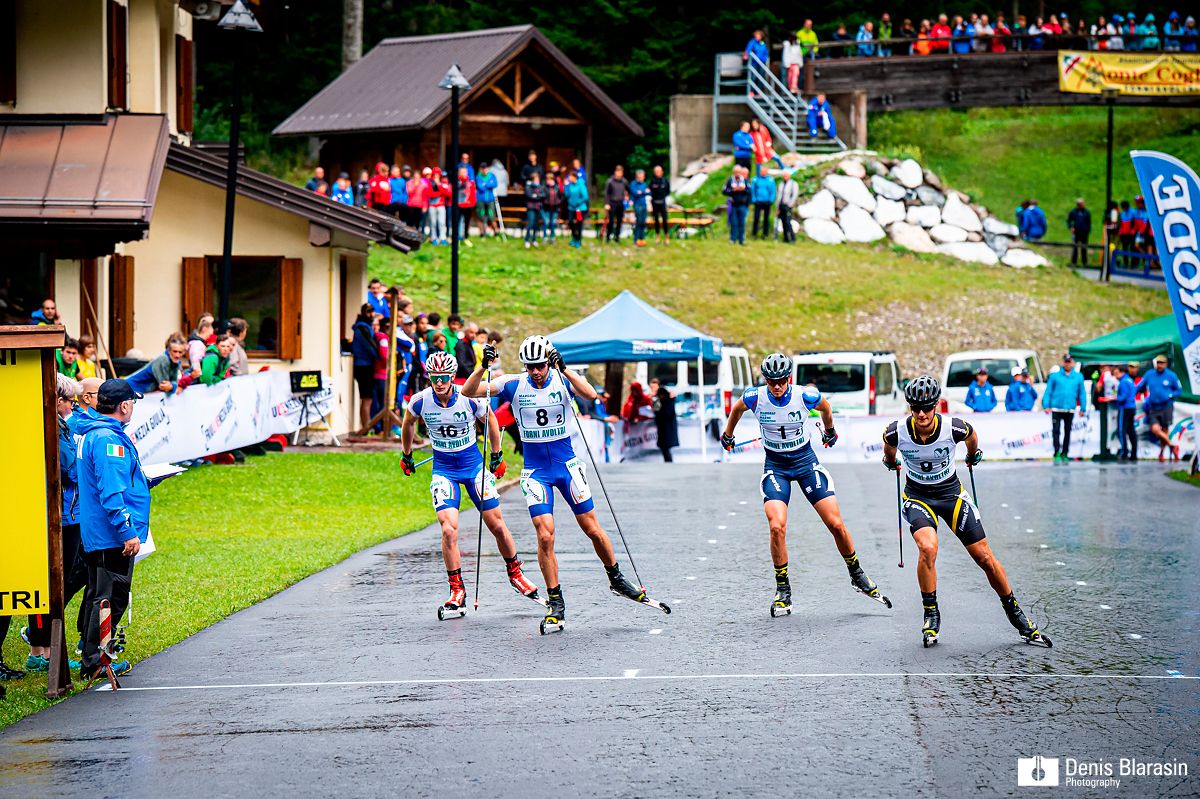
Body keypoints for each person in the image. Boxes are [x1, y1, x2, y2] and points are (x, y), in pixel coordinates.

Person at [463, 337, 649, 634]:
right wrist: (482, 367)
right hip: (536, 471)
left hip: (567, 466)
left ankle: (615, 578)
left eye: (540, 365)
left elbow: (591, 396)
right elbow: (468, 391)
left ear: (549, 363)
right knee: (545, 535)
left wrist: (565, 368)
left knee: (592, 529)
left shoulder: (562, 379)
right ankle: (555, 601)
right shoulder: (513, 383)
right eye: (530, 366)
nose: (536, 371)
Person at [882, 375, 1049, 648]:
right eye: (915, 408)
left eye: (927, 407)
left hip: (951, 494)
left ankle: (1016, 614)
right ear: (910, 408)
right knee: (928, 548)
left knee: (983, 555)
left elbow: (972, 437)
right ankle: (931, 614)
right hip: (917, 496)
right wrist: (891, 461)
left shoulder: (955, 428)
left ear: (937, 405)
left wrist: (973, 455)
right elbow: (889, 451)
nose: (921, 414)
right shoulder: (895, 431)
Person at [721, 353, 889, 616]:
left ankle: (856, 573)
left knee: (835, 523)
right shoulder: (755, 396)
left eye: (780, 381)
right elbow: (737, 408)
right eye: (771, 381)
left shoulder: (805, 395)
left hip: (805, 462)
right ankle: (783, 589)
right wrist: (728, 434)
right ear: (765, 380)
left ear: (789, 378)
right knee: (776, 526)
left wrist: (829, 431)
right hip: (776, 466)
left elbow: (826, 408)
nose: (776, 386)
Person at [400, 352, 541, 617]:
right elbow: (408, 424)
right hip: (444, 470)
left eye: (443, 378)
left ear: (452, 377)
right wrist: (406, 454)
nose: (439, 383)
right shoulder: (420, 401)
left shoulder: (468, 399)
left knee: (497, 524)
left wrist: (497, 454)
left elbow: (491, 421)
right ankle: (456, 589)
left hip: (473, 466)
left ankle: (516, 573)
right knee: (449, 530)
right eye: (434, 378)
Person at [76, 378, 152, 682]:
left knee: (100, 594)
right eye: (131, 402)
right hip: (110, 534)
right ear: (123, 406)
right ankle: (94, 659)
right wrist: (126, 531)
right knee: (110, 597)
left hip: (98, 531)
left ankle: (91, 651)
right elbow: (110, 492)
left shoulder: (95, 433)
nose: (132, 406)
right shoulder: (108, 440)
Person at [25, 375, 89, 674]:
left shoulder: (61, 426)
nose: (74, 407)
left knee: (52, 585)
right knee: (52, 585)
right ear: (58, 400)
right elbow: (70, 469)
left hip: (67, 513)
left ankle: (41, 649)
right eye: (71, 401)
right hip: (61, 516)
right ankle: (45, 651)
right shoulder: (54, 428)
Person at [1043, 354, 1086, 461]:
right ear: (1063, 362)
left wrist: (1083, 407)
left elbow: (1082, 393)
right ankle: (1056, 451)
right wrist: (1046, 405)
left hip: (1070, 408)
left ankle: (1065, 452)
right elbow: (1048, 391)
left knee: (1068, 431)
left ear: (1072, 363)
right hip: (1057, 408)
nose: (1067, 364)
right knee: (1056, 430)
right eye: (1066, 361)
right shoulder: (1055, 376)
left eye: (1069, 362)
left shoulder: (1078, 377)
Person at [1142, 355, 1183, 461]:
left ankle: (1161, 453)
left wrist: (1169, 395)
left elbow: (1179, 390)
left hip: (1166, 406)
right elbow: (1140, 386)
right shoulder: (1149, 374)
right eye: (1158, 363)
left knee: (1165, 431)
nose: (1159, 365)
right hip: (1153, 407)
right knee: (1155, 429)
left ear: (1165, 364)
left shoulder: (1171, 375)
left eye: (1162, 363)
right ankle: (1172, 445)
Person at [1113, 363, 1138, 461]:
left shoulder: (1123, 382)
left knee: (1121, 431)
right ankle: (1134, 453)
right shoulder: (1130, 380)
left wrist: (1115, 398)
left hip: (1125, 408)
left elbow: (1123, 397)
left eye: (1116, 373)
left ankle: (1124, 452)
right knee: (1131, 431)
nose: (1115, 376)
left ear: (1121, 372)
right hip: (1132, 407)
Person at [722, 165, 750, 245]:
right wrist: (732, 190)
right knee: (734, 223)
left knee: (742, 223)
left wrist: (743, 189)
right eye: (736, 172)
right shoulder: (730, 180)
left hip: (742, 204)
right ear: (733, 172)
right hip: (733, 204)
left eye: (739, 172)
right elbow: (724, 191)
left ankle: (742, 240)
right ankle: (732, 239)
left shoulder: (745, 180)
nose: (737, 174)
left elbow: (749, 190)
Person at [652, 385, 679, 462]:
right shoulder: (669, 402)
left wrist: (655, 401)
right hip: (666, 429)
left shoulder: (666, 403)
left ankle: (668, 462)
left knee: (665, 448)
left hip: (665, 430)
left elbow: (658, 412)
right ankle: (668, 462)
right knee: (665, 448)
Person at [750, 164, 776, 240]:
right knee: (756, 218)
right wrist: (754, 199)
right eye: (762, 171)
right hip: (758, 202)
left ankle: (765, 234)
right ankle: (754, 234)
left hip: (767, 202)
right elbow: (753, 190)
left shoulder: (770, 180)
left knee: (766, 219)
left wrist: (771, 200)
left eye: (765, 171)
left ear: (767, 172)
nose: (763, 173)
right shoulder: (756, 179)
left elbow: (773, 191)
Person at [604, 165, 629, 244]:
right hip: (612, 203)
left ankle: (617, 237)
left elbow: (628, 190)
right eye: (618, 172)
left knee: (619, 221)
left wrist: (627, 196)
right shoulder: (610, 181)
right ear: (615, 172)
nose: (619, 173)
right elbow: (607, 193)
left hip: (620, 203)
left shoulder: (624, 181)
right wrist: (607, 203)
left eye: (620, 172)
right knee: (611, 221)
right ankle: (608, 236)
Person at [564, 170, 589, 249]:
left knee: (579, 225)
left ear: (574, 177)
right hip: (571, 208)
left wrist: (577, 202)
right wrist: (566, 186)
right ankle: (574, 238)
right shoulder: (570, 185)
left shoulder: (581, 184)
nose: (569, 178)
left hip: (580, 208)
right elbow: (567, 195)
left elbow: (585, 196)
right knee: (571, 223)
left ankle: (578, 240)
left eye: (570, 177)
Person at [474, 162, 499, 238]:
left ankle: (496, 232)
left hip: (490, 199)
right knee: (481, 216)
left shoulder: (492, 176)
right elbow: (480, 187)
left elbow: (494, 184)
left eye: (486, 168)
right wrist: (488, 184)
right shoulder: (478, 177)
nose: (484, 170)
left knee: (492, 215)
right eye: (483, 168)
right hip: (481, 199)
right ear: (480, 169)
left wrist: (485, 184)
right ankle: (482, 233)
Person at [648, 165, 670, 244]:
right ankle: (658, 236)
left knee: (664, 220)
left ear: (662, 172)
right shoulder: (652, 181)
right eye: (656, 172)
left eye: (659, 171)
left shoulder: (665, 181)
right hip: (654, 203)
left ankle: (666, 236)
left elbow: (668, 191)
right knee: (656, 220)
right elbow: (649, 192)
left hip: (662, 202)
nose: (658, 173)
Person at [524, 170, 545, 249]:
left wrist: (536, 196)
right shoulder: (528, 186)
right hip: (531, 207)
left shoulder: (540, 186)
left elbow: (542, 195)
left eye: (538, 178)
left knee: (536, 224)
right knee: (530, 224)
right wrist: (536, 196)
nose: (537, 180)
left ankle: (534, 239)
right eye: (536, 179)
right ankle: (527, 240)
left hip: (538, 207)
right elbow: (529, 195)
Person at [1067, 198, 1092, 266]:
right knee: (1075, 247)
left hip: (1084, 233)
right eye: (1081, 204)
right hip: (1076, 232)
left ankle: (1084, 262)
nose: (1082, 205)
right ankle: (1074, 262)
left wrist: (1088, 230)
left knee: (1084, 248)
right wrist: (1071, 227)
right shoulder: (1073, 212)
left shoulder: (1086, 212)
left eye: (1083, 203)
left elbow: (1089, 222)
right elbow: (1069, 221)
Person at [455, 165, 476, 242]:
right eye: (461, 172)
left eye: (464, 172)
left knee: (466, 222)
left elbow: (473, 194)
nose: (463, 173)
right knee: (457, 221)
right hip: (458, 205)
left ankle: (466, 236)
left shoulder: (470, 182)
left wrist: (473, 204)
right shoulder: (456, 182)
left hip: (468, 205)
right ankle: (457, 236)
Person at [629, 169, 649, 247]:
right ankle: (636, 239)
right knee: (639, 222)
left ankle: (642, 239)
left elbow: (648, 192)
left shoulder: (644, 184)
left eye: (643, 177)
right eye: (640, 177)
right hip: (637, 205)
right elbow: (635, 193)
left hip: (644, 204)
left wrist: (642, 192)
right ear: (637, 177)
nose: (642, 178)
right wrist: (643, 192)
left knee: (643, 223)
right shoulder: (633, 184)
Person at [777, 171, 798, 244]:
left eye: (786, 176)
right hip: (781, 205)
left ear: (789, 176)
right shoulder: (781, 184)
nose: (784, 177)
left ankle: (792, 238)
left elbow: (794, 195)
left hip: (788, 205)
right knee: (783, 222)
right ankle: (785, 238)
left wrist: (790, 204)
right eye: (784, 176)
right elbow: (779, 196)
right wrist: (778, 207)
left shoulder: (793, 184)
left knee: (788, 222)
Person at [406, 167, 429, 232]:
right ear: (413, 177)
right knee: (410, 221)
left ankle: (416, 234)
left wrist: (425, 206)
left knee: (418, 221)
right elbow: (410, 193)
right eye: (415, 177)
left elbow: (425, 196)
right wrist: (416, 186)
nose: (416, 178)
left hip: (420, 205)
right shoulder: (409, 183)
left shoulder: (424, 185)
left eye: (418, 177)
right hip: (411, 204)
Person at [542, 173, 560, 243]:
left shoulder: (556, 187)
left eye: (550, 179)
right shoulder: (544, 187)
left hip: (554, 208)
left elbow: (561, 196)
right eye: (547, 179)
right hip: (546, 208)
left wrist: (558, 202)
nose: (549, 181)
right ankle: (545, 237)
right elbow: (542, 196)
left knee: (553, 223)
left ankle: (552, 237)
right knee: (546, 222)